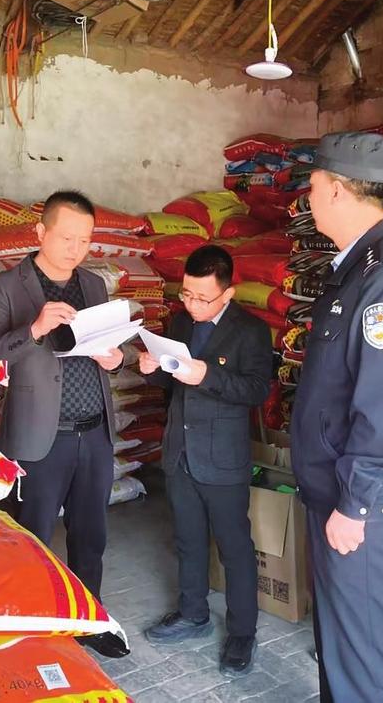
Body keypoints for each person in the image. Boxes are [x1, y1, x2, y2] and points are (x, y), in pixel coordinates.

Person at [290, 132, 383, 703]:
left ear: (337, 191)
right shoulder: (355, 269)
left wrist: (355, 504)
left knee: (365, 664)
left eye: (313, 187)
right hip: (336, 494)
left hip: (362, 509)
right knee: (341, 653)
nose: (308, 199)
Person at [0, 190, 128, 659]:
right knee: (32, 536)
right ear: (40, 232)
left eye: (84, 240)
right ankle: (34, 625)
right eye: (65, 238)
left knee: (91, 536)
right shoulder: (6, 286)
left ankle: (89, 620)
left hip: (94, 432)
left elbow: (108, 346)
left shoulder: (93, 285)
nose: (75, 249)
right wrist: (34, 330)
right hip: (40, 436)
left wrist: (117, 359)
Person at [138, 245, 273, 678]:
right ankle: (192, 612)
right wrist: (152, 368)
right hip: (180, 451)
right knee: (188, 539)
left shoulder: (250, 331)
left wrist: (207, 375)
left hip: (222, 458)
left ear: (227, 293)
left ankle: (242, 632)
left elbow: (257, 390)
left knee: (234, 548)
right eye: (187, 294)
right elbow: (172, 380)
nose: (193, 304)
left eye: (202, 298)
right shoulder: (180, 322)